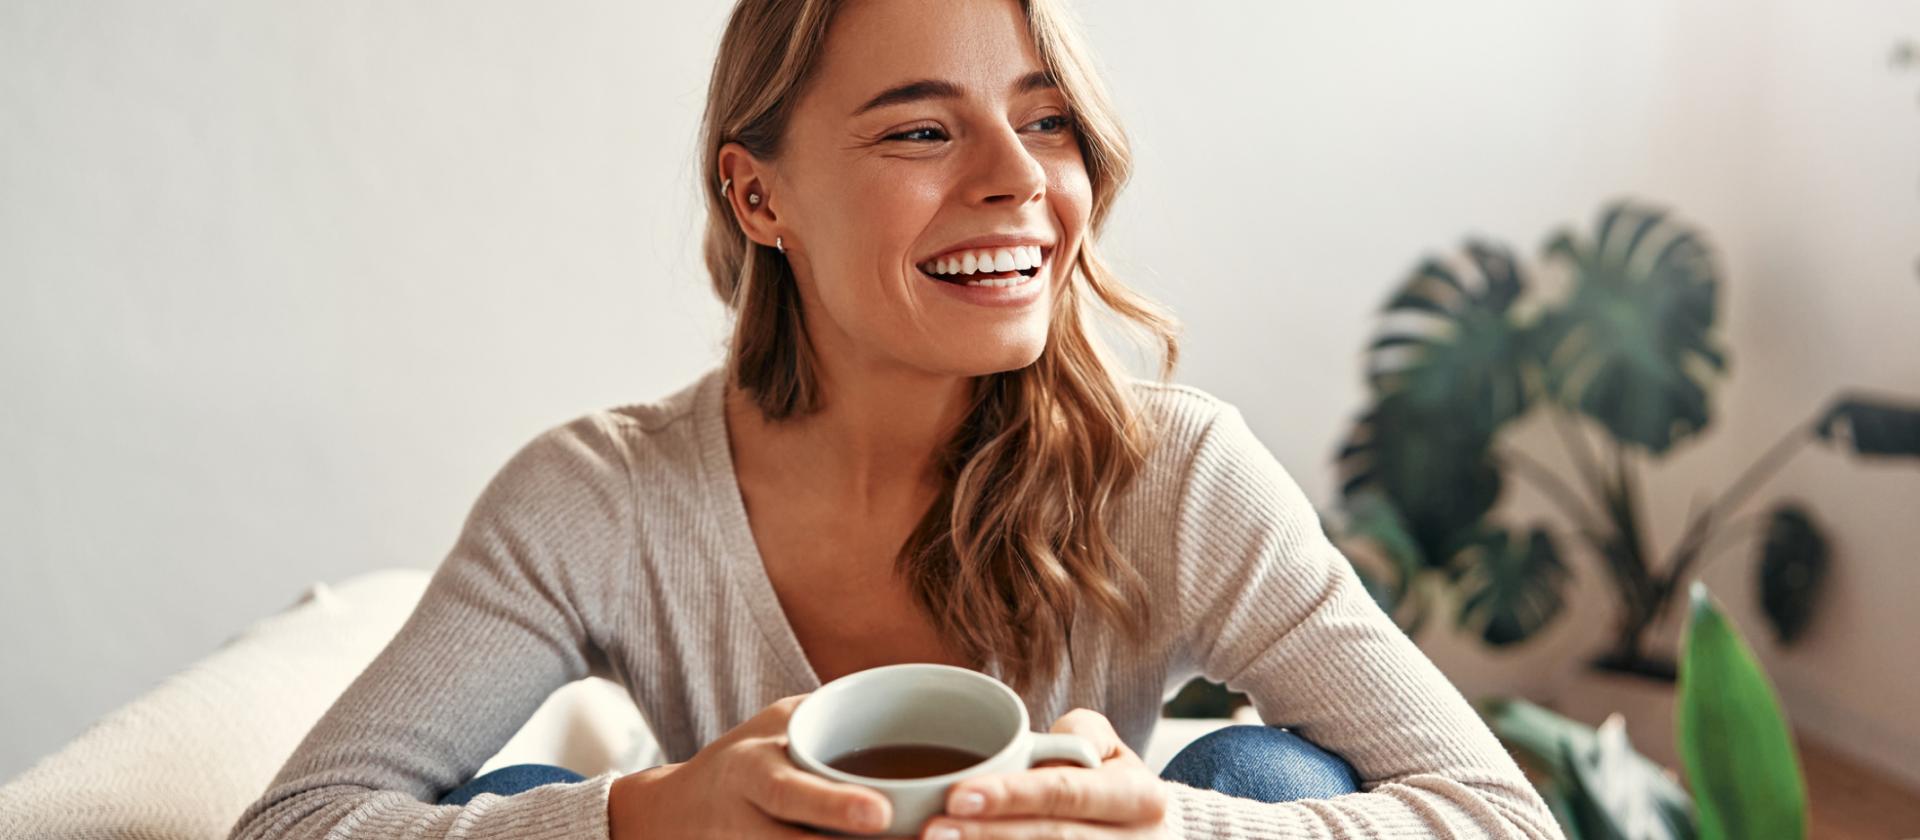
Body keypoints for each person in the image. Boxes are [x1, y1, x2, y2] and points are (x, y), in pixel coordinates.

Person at [228, 0, 1564, 838]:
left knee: (1271, 785)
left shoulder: (1176, 474)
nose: (1018, 182)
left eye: (1045, 120)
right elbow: (295, 825)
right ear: (760, 199)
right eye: (921, 132)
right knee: (519, 816)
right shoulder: (602, 499)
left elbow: (1499, 816)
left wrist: (1166, 828)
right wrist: (645, 816)